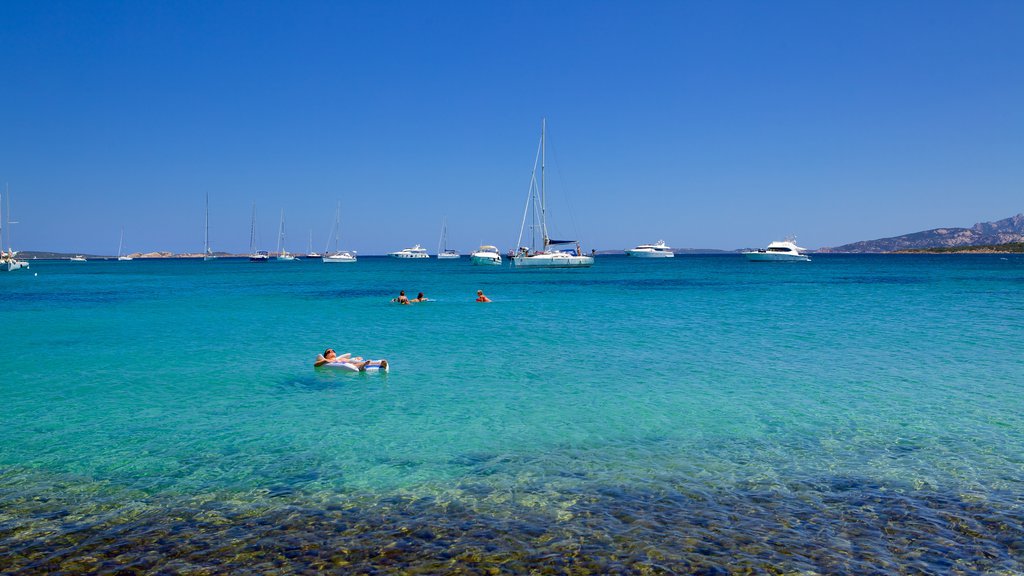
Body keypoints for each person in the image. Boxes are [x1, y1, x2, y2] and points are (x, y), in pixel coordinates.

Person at [314, 348, 388, 371]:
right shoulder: (327, 361)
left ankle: (380, 363)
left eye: (333, 351)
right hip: (344, 365)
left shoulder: (341, 358)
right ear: (326, 356)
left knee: (360, 361)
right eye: (329, 352)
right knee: (354, 364)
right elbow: (315, 365)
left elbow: (350, 360)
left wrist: (356, 358)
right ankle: (363, 366)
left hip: (347, 362)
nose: (332, 352)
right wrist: (324, 361)